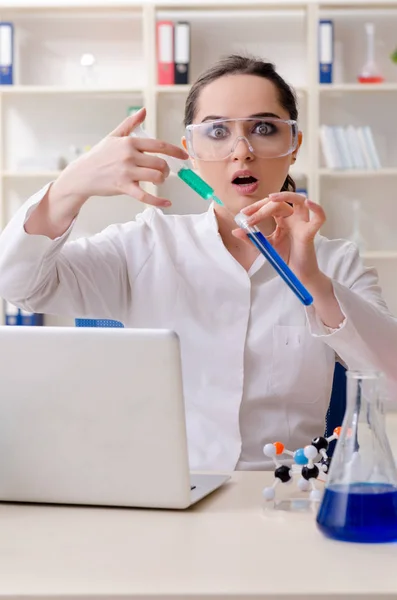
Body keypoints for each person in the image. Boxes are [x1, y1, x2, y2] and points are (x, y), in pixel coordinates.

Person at [0, 54, 396, 472]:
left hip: (284, 497)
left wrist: (313, 282)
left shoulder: (335, 262)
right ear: (190, 151)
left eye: (263, 128)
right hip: (167, 494)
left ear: (294, 145)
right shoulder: (147, 244)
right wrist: (70, 186)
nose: (241, 152)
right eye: (218, 131)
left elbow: (390, 384)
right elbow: (18, 284)